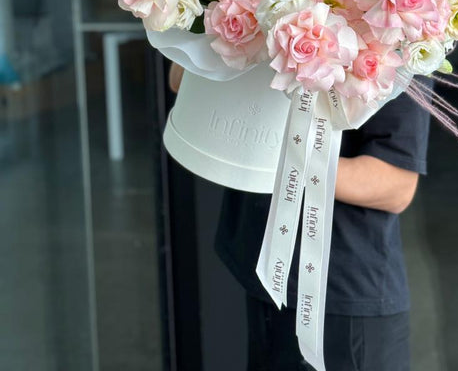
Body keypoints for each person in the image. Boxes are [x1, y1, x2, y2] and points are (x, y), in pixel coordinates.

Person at [169, 63, 430, 371]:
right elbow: (179, 78)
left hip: (340, 298)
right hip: (259, 268)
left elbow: (396, 186)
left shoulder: (401, 38)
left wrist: (284, 156)